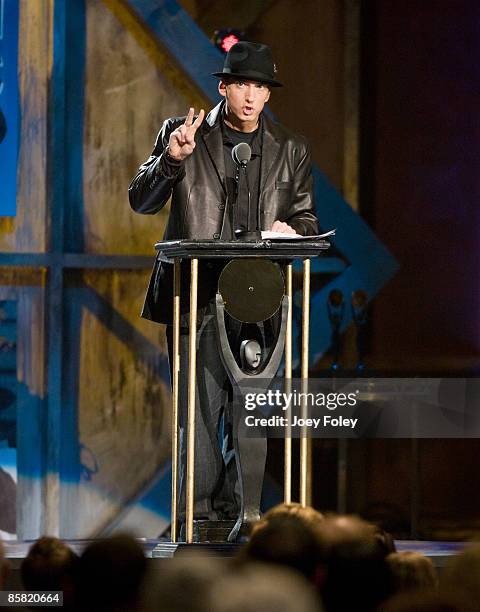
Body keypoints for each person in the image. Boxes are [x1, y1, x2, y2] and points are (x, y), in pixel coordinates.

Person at [129, 41, 319, 537]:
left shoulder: (290, 150)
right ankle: (197, 520)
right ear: (224, 87)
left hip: (258, 300)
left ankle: (245, 517)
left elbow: (305, 217)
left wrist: (292, 233)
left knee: (251, 410)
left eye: (260, 87)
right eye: (243, 85)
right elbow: (141, 201)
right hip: (196, 294)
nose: (252, 96)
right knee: (198, 410)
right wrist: (171, 161)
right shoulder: (185, 135)